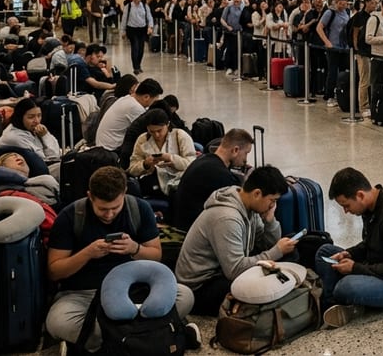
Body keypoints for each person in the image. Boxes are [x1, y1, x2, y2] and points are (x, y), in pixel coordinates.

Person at [45, 167, 197, 352]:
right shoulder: (71, 216)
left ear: (124, 193)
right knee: (57, 322)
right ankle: (159, 332)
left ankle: (109, 343)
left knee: (185, 295)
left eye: (115, 208)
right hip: (84, 293)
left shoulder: (139, 208)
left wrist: (135, 249)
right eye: (102, 209)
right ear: (90, 196)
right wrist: (87, 253)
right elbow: (54, 271)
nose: (109, 215)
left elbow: (155, 255)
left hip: (135, 289)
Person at [174, 165, 298, 316]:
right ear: (257, 193)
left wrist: (270, 220)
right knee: (257, 284)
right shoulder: (226, 218)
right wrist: (277, 251)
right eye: (272, 200)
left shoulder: (248, 205)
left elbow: (266, 244)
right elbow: (235, 270)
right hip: (201, 287)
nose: (273, 205)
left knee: (291, 250)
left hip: (223, 270)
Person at [315, 167, 383, 328]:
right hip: (378, 262)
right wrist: (349, 253)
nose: (346, 211)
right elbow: (369, 243)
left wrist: (355, 268)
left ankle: (341, 299)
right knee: (324, 252)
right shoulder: (370, 207)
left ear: (360, 195)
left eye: (346, 205)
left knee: (345, 287)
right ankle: (334, 305)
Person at [172, 127, 255, 231]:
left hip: (184, 224)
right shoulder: (221, 175)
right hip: (193, 230)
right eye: (246, 153)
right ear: (235, 150)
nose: (245, 160)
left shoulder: (203, 161)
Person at [127, 108, 197, 199]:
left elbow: (193, 165)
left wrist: (172, 159)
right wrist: (145, 164)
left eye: (159, 130)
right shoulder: (143, 139)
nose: (156, 135)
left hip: (179, 183)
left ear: (167, 124)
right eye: (152, 131)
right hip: (153, 184)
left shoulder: (180, 136)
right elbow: (132, 168)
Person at [95, 78, 162, 152]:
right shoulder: (135, 107)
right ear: (146, 97)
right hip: (111, 150)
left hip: (104, 145)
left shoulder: (128, 98)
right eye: (154, 101)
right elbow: (147, 131)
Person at [0, 97, 63, 168]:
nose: (37, 121)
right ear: (20, 117)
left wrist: (45, 134)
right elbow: (52, 159)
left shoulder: (30, 129)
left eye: (39, 115)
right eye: (31, 117)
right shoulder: (15, 138)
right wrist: (45, 136)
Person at [121, 0, 154, 75]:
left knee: (141, 49)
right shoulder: (128, 6)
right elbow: (124, 19)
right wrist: (123, 31)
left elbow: (149, 17)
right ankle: (135, 67)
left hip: (142, 29)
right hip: (132, 29)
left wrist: (150, 27)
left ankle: (138, 65)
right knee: (135, 47)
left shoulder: (145, 6)